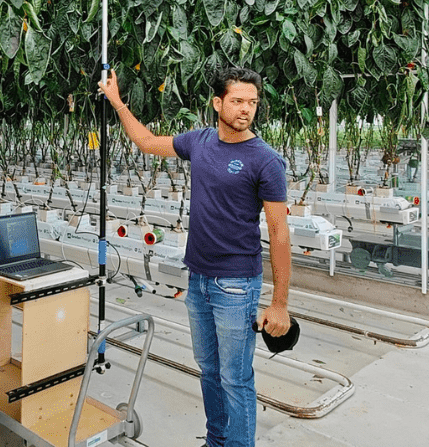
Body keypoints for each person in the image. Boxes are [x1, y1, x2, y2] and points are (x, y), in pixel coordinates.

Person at [99, 66, 291, 447]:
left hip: (236, 284)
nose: (246, 109)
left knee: (235, 378)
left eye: (252, 102)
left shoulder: (266, 160)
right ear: (218, 103)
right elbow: (148, 142)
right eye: (238, 101)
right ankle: (216, 441)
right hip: (199, 279)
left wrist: (280, 302)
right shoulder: (199, 141)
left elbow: (279, 233)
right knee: (208, 370)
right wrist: (117, 102)